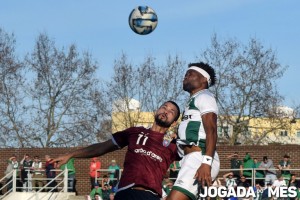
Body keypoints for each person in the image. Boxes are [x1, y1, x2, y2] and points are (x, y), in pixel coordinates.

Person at [52, 101, 181, 200]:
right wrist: (71, 155)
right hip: (126, 192)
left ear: (174, 122)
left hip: (151, 196)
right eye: (164, 107)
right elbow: (102, 147)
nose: (166, 111)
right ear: (156, 111)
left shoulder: (173, 146)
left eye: (171, 111)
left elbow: (195, 154)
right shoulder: (134, 132)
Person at [167, 62, 220, 200]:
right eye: (185, 74)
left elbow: (212, 131)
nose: (185, 77)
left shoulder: (205, 96)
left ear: (204, 79)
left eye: (190, 74)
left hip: (200, 157)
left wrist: (206, 163)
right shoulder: (193, 100)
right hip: (190, 159)